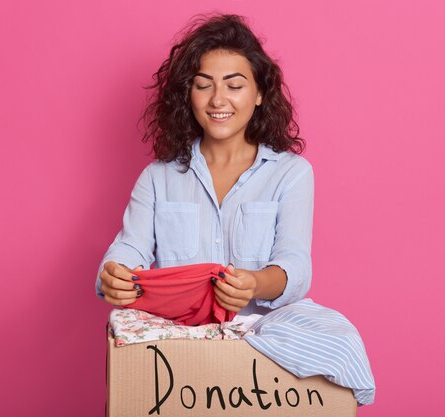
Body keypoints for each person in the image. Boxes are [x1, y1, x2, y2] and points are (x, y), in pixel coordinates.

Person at [96, 14, 375, 405]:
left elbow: (294, 265)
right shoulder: (158, 176)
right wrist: (114, 274)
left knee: (337, 336)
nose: (217, 100)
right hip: (178, 332)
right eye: (203, 85)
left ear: (259, 93)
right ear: (187, 94)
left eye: (234, 85)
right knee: (120, 329)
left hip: (263, 328)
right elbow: (130, 249)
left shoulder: (291, 173)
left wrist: (256, 283)